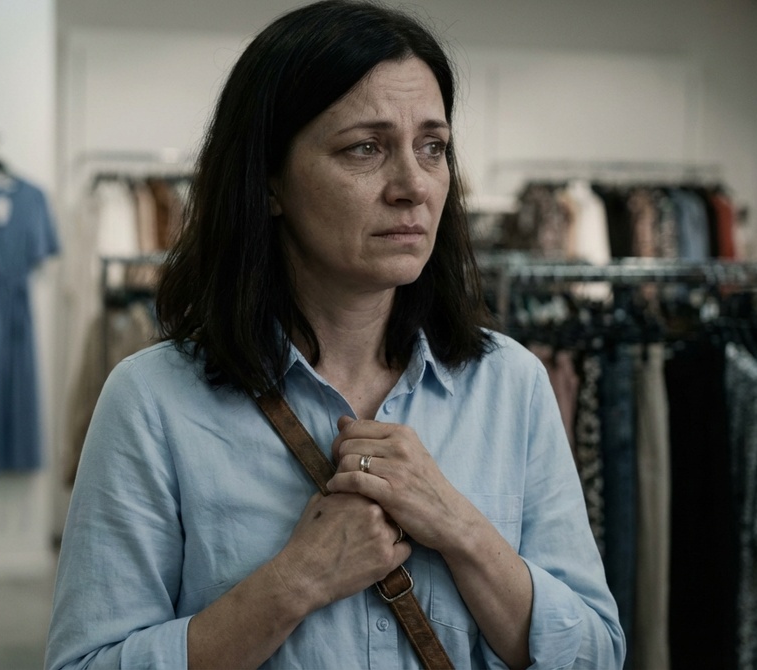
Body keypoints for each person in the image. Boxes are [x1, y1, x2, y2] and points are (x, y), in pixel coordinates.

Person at [46, 1, 625, 668]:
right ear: (269, 180)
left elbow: (595, 653)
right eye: (365, 148)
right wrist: (295, 582)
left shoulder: (511, 384)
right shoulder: (153, 402)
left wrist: (458, 524)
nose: (413, 186)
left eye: (433, 147)